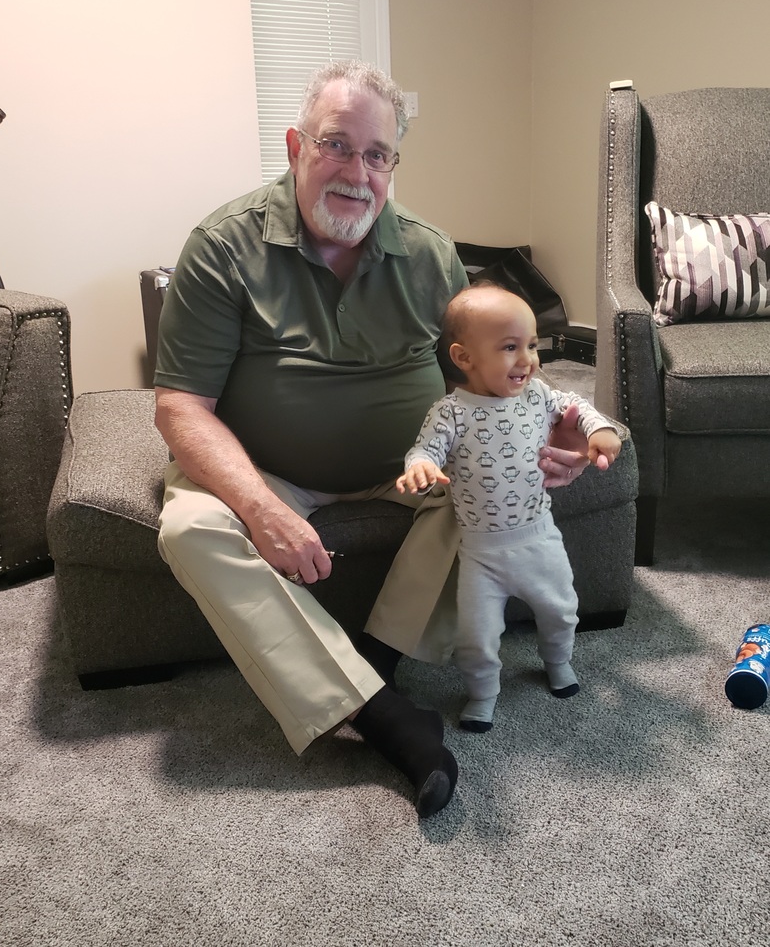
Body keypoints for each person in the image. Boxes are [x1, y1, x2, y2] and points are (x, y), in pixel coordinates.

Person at [153, 60, 590, 817]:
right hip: (268, 467)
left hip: (406, 465)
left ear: (393, 165)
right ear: (296, 147)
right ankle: (387, 717)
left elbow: (487, 377)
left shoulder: (428, 253)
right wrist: (260, 508)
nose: (358, 173)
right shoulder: (222, 246)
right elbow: (181, 407)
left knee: (483, 492)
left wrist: (547, 431)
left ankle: (372, 664)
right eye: (337, 145)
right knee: (189, 528)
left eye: (378, 154)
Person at [397, 283, 623, 733]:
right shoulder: (450, 412)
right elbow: (425, 449)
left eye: (532, 345)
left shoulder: (538, 395)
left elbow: (577, 407)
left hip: (539, 538)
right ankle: (483, 693)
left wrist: (601, 430)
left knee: (561, 611)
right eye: (509, 347)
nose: (527, 360)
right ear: (464, 357)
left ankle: (558, 662)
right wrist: (419, 466)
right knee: (475, 637)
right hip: (480, 554)